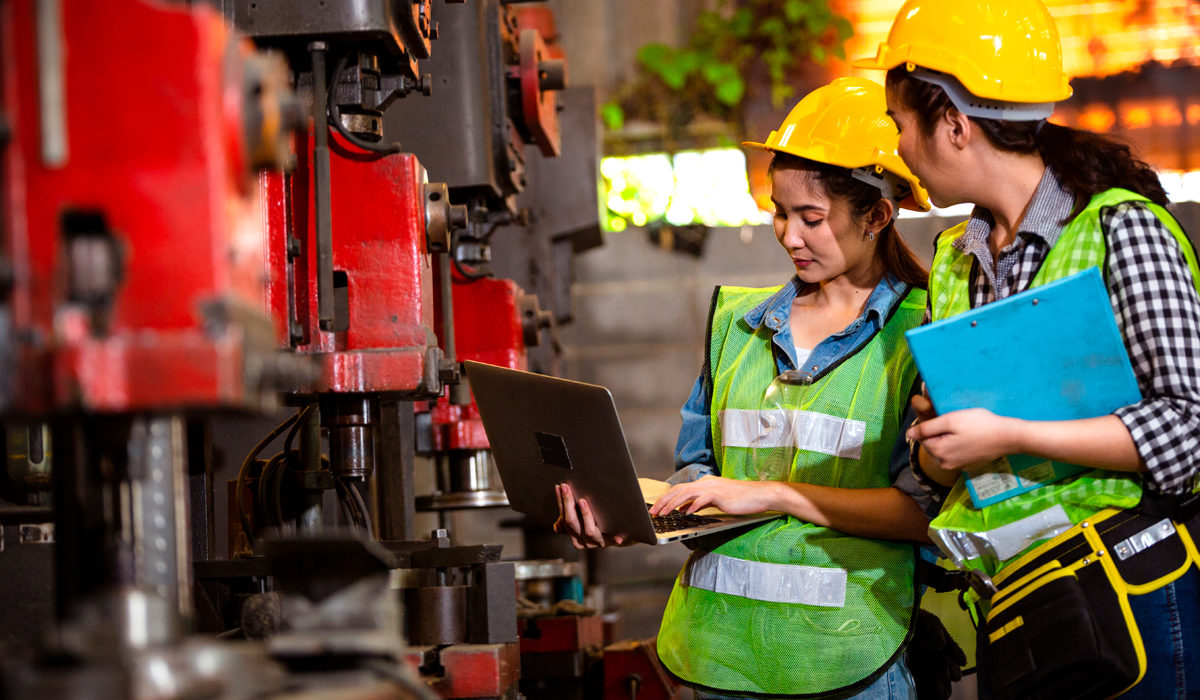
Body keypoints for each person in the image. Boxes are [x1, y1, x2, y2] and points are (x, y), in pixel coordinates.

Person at [856, 0, 1200, 697]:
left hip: (1125, 589)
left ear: (952, 122)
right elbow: (947, 471)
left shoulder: (1122, 232)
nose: (898, 147)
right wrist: (939, 441)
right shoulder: (955, 258)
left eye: (900, 125)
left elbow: (1189, 425)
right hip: (1016, 596)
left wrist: (1006, 432)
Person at [556, 77, 940, 699]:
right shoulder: (738, 325)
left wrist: (770, 495)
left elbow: (923, 514)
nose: (789, 235)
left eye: (811, 218)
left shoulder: (920, 333)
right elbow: (701, 475)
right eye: (779, 213)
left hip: (852, 662)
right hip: (722, 656)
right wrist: (639, 516)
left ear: (876, 215)